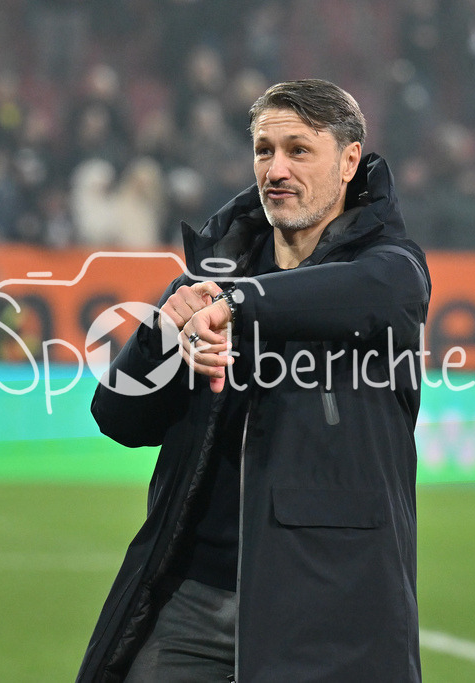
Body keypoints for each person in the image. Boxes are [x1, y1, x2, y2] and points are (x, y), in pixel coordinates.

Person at [77, 79, 430, 682]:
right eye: (264, 150)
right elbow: (118, 416)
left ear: (349, 161)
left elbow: (372, 296)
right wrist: (164, 330)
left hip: (323, 605)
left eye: (299, 150)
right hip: (190, 598)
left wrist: (236, 306)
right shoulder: (209, 278)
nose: (276, 168)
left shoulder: (389, 270)